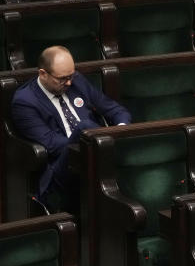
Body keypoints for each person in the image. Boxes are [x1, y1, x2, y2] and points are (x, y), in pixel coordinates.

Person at [11, 46, 131, 210]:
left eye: (71, 76)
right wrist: (95, 143)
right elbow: (52, 145)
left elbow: (115, 110)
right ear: (43, 74)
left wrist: (120, 130)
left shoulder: (76, 80)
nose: (69, 82)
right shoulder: (25, 102)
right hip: (61, 167)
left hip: (98, 151)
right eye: (62, 79)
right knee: (86, 127)